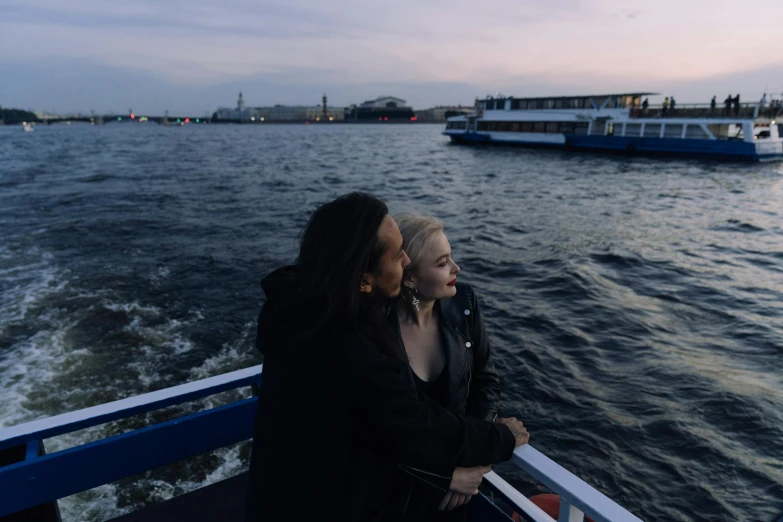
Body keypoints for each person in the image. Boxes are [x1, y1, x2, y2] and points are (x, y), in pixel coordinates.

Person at [245, 192, 529, 522]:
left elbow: (367, 428)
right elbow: (418, 426)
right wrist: (503, 437)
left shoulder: (300, 311)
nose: (406, 260)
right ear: (364, 281)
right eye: (397, 257)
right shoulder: (350, 348)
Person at [382, 214, 504, 521]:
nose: (456, 269)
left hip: (454, 491)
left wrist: (470, 462)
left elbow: (485, 382)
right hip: (392, 492)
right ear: (409, 277)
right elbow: (376, 427)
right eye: (442, 263)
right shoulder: (376, 328)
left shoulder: (464, 302)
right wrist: (440, 474)